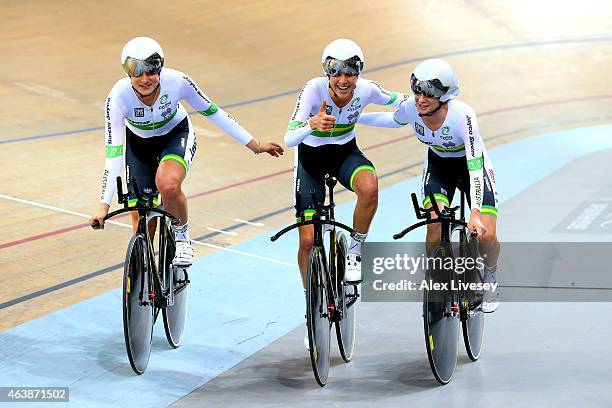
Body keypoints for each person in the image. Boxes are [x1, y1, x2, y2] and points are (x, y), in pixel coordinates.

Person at [90, 36, 284, 267]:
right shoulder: (117, 98)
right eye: (137, 73)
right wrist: (103, 206)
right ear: (127, 73)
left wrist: (255, 145)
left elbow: (213, 112)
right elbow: (113, 154)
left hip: (175, 135)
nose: (145, 79)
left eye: (151, 72)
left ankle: (182, 237)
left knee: (168, 184)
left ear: (160, 68)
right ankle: (146, 270)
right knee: (142, 213)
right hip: (139, 144)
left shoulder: (178, 81)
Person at [284, 39, 407, 348]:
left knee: (370, 186)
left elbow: (400, 100)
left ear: (359, 73)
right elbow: (289, 137)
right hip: (310, 161)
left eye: (349, 74)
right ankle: (311, 301)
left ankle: (354, 249)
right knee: (308, 239)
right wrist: (311, 124)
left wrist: (431, 101)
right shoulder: (313, 89)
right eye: (335, 72)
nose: (342, 80)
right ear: (327, 71)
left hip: (344, 155)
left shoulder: (367, 90)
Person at [357, 58, 500, 312]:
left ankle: (490, 276)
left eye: (429, 93)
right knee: (434, 223)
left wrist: (475, 213)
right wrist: (355, 117)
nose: (421, 98)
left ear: (445, 96)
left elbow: (476, 168)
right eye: (417, 90)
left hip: (470, 168)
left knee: (485, 233)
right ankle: (436, 275)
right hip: (438, 167)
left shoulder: (463, 115)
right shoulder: (413, 108)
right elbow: (392, 120)